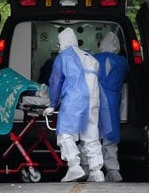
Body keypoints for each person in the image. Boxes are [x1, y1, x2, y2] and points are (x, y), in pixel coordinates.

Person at [43, 27, 107, 182]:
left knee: (65, 133)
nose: (58, 46)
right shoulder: (90, 58)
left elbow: (56, 81)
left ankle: (74, 167)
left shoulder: (63, 57)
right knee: (91, 135)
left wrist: (52, 104)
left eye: (58, 43)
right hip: (93, 98)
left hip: (75, 98)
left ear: (62, 42)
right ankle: (97, 172)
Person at [94, 32, 129, 182]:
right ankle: (113, 170)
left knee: (91, 135)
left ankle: (91, 169)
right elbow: (126, 79)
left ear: (102, 44)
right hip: (113, 100)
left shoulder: (93, 59)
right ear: (117, 47)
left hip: (95, 99)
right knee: (110, 136)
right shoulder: (122, 62)